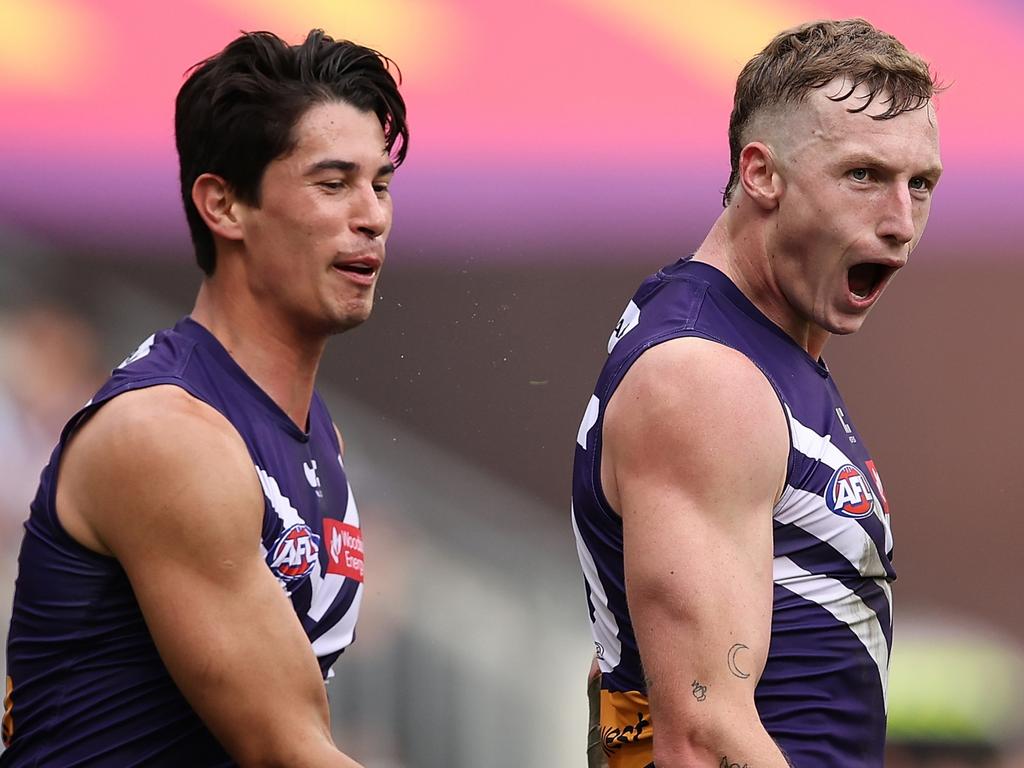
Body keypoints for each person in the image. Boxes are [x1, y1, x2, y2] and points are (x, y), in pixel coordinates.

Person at [2, 29, 407, 767]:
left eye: (379, 185)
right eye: (332, 183)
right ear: (223, 206)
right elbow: (288, 752)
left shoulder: (320, 439)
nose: (373, 216)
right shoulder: (167, 435)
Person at [571, 18, 942, 768]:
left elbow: (620, 691)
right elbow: (702, 735)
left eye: (921, 184)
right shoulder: (705, 378)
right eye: (863, 175)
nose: (901, 223)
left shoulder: (749, 349)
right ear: (761, 174)